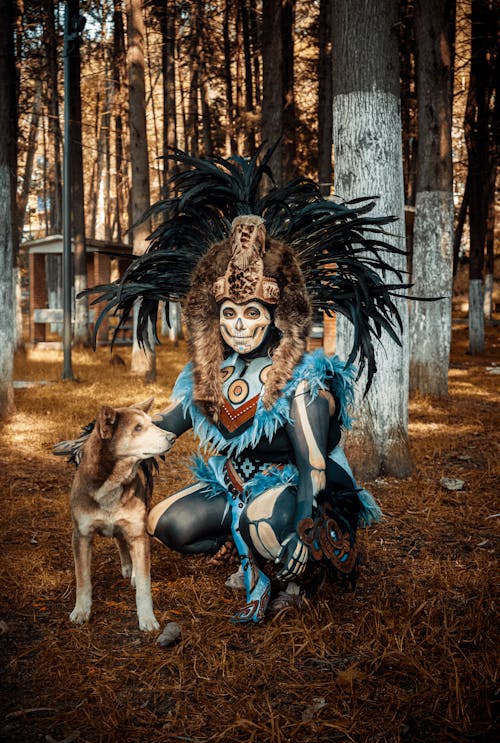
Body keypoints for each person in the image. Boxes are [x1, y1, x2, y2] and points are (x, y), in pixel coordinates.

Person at [88, 147, 407, 624]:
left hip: (302, 490)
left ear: (274, 315)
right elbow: (164, 426)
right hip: (235, 485)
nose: (239, 326)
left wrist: (302, 528)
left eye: (252, 313)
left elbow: (313, 468)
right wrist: (98, 437)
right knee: (165, 523)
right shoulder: (205, 374)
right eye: (230, 314)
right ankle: (252, 547)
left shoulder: (304, 377)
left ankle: (300, 574)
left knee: (267, 520)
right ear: (215, 318)